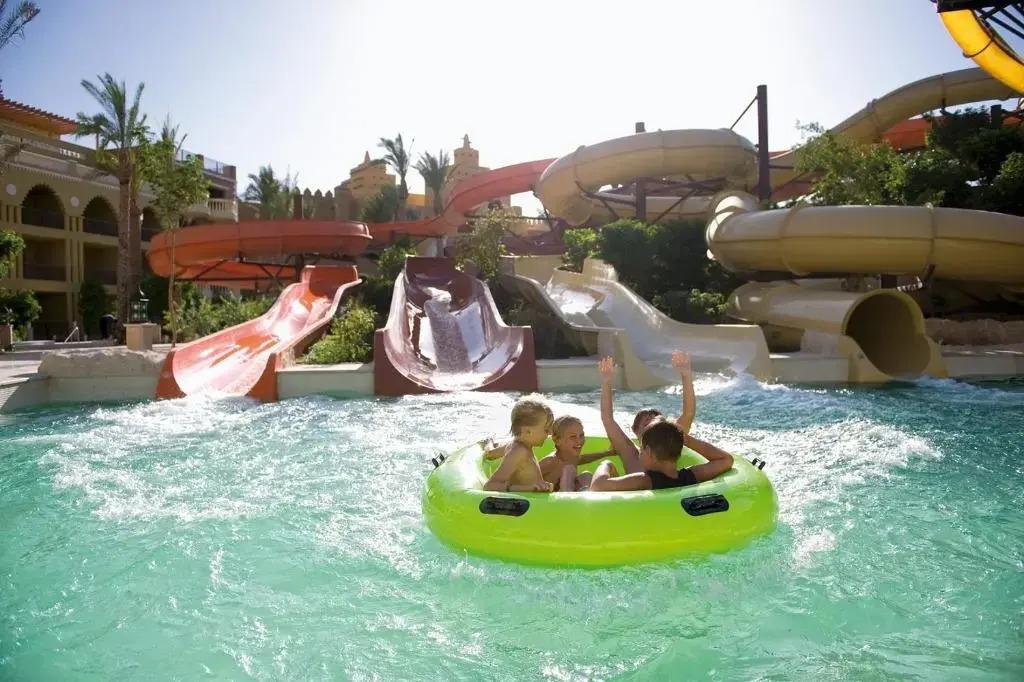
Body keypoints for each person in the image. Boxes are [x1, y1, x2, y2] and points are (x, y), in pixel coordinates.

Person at [590, 356, 734, 492]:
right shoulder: (690, 476)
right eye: (646, 424)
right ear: (635, 430)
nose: (651, 426)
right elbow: (726, 459)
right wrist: (685, 439)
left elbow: (598, 485)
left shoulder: (643, 480)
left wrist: (605, 465)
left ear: (649, 451)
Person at [483, 394, 555, 493]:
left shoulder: (513, 444)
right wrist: (529, 488)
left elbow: (490, 454)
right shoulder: (518, 452)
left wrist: (488, 442)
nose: (550, 433)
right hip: (526, 500)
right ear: (527, 431)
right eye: (546, 430)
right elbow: (490, 486)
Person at [538, 416, 614, 492]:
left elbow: (585, 459)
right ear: (557, 441)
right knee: (569, 470)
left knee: (586, 475)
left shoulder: (571, 458)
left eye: (581, 435)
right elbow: (532, 473)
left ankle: (585, 493)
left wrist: (607, 453)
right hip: (552, 498)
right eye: (573, 437)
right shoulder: (550, 461)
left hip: (568, 494)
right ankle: (571, 496)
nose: (579, 440)